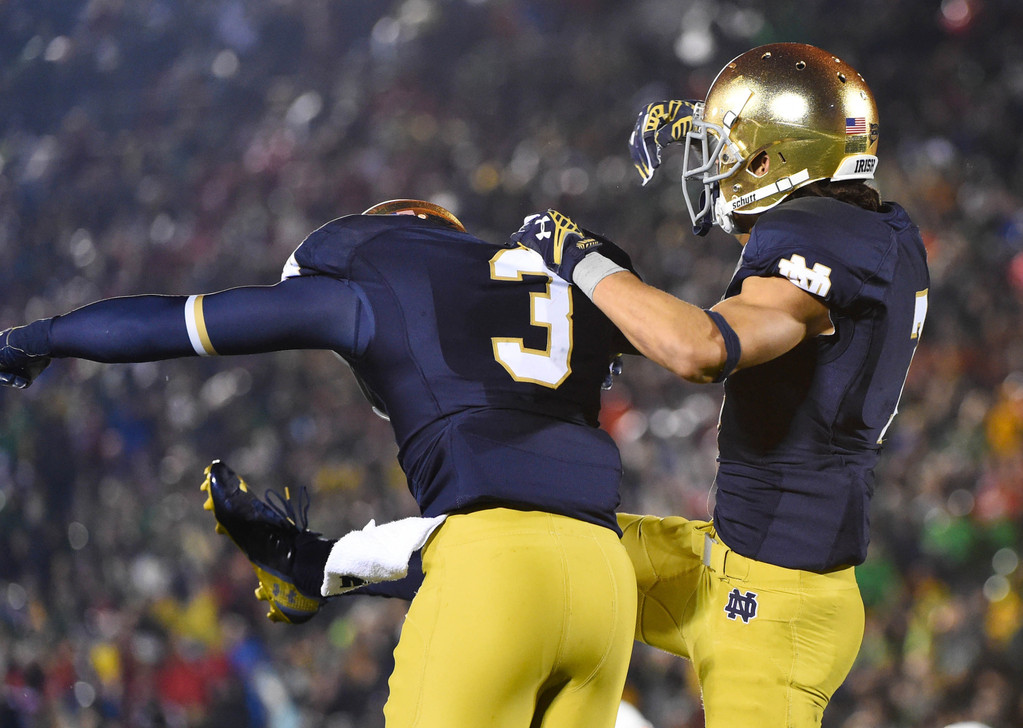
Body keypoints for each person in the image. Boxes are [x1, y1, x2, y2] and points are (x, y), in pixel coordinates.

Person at [0, 199, 641, 728]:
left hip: (494, 570)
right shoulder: (550, 269)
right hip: (604, 588)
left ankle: (308, 567)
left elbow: (173, 324)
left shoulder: (374, 282)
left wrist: (40, 339)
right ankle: (308, 566)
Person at [512, 43, 930, 728]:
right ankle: (332, 560)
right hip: (733, 559)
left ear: (769, 161)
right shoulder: (878, 227)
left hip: (773, 609)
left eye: (728, 151)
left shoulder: (814, 239)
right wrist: (726, 133)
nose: (712, 167)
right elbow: (781, 279)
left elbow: (701, 347)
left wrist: (574, 258)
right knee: (512, 557)